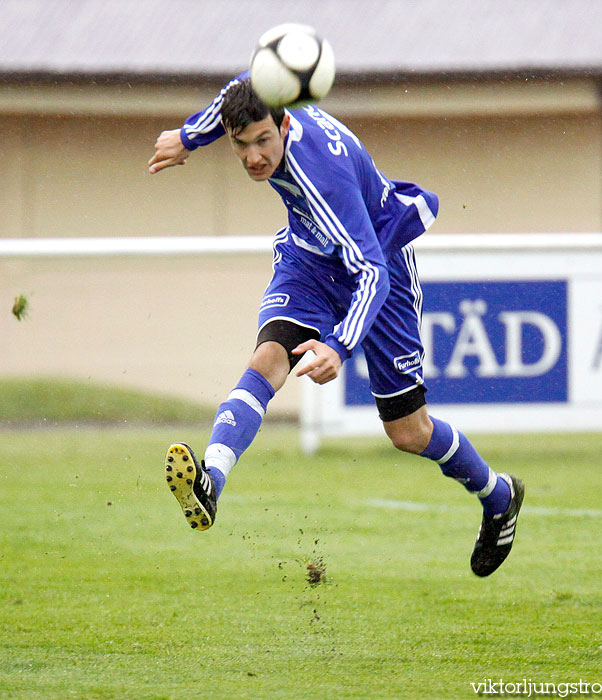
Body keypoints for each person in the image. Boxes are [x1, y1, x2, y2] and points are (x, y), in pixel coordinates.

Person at [149, 72, 524, 577]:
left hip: (377, 262)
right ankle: (211, 481)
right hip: (309, 258)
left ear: (284, 124)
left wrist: (340, 345)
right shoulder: (265, 100)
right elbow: (236, 89)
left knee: (409, 433)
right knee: (267, 359)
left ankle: (498, 496)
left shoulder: (322, 177)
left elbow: (370, 270)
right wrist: (190, 135)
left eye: (264, 141)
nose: (254, 157)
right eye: (241, 145)